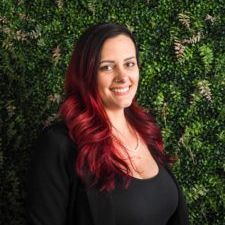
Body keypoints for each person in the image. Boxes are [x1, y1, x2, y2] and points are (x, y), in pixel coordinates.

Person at [26, 22, 189, 225]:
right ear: (86, 75)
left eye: (129, 63)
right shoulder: (60, 143)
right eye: (107, 67)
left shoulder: (146, 130)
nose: (123, 77)